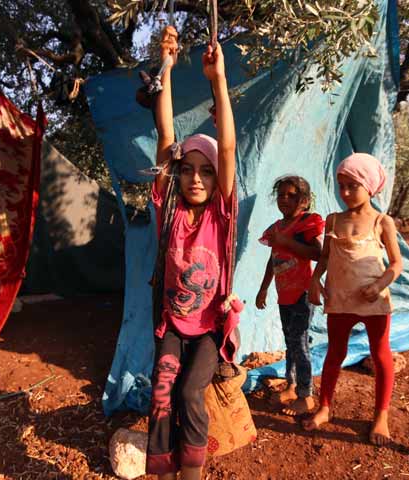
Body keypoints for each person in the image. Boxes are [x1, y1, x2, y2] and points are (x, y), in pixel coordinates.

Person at [145, 25, 238, 480]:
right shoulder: (169, 209)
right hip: (171, 322)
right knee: (161, 391)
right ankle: (162, 472)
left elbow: (229, 146)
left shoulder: (222, 211)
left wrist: (215, 80)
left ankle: (192, 474)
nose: (196, 178)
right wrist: (167, 64)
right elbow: (166, 132)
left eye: (206, 171)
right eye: (188, 170)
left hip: (207, 330)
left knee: (188, 395)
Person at [303, 152, 403, 446]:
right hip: (341, 299)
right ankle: (324, 407)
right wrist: (314, 281)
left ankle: (381, 416)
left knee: (381, 356)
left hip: (374, 302)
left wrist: (379, 285)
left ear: (369, 186)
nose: (345, 192)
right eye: (341, 185)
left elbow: (396, 264)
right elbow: (324, 257)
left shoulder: (382, 222)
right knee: (335, 353)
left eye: (352, 186)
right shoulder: (333, 221)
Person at [256, 176, 324, 415]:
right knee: (290, 341)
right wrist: (263, 287)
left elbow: (318, 253)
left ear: (304, 201)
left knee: (300, 342)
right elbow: (272, 259)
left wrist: (287, 241)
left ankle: (307, 396)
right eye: (281, 194)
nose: (284, 198)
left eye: (291, 195)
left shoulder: (306, 223)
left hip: (302, 293)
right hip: (284, 294)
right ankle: (292, 385)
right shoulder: (276, 228)